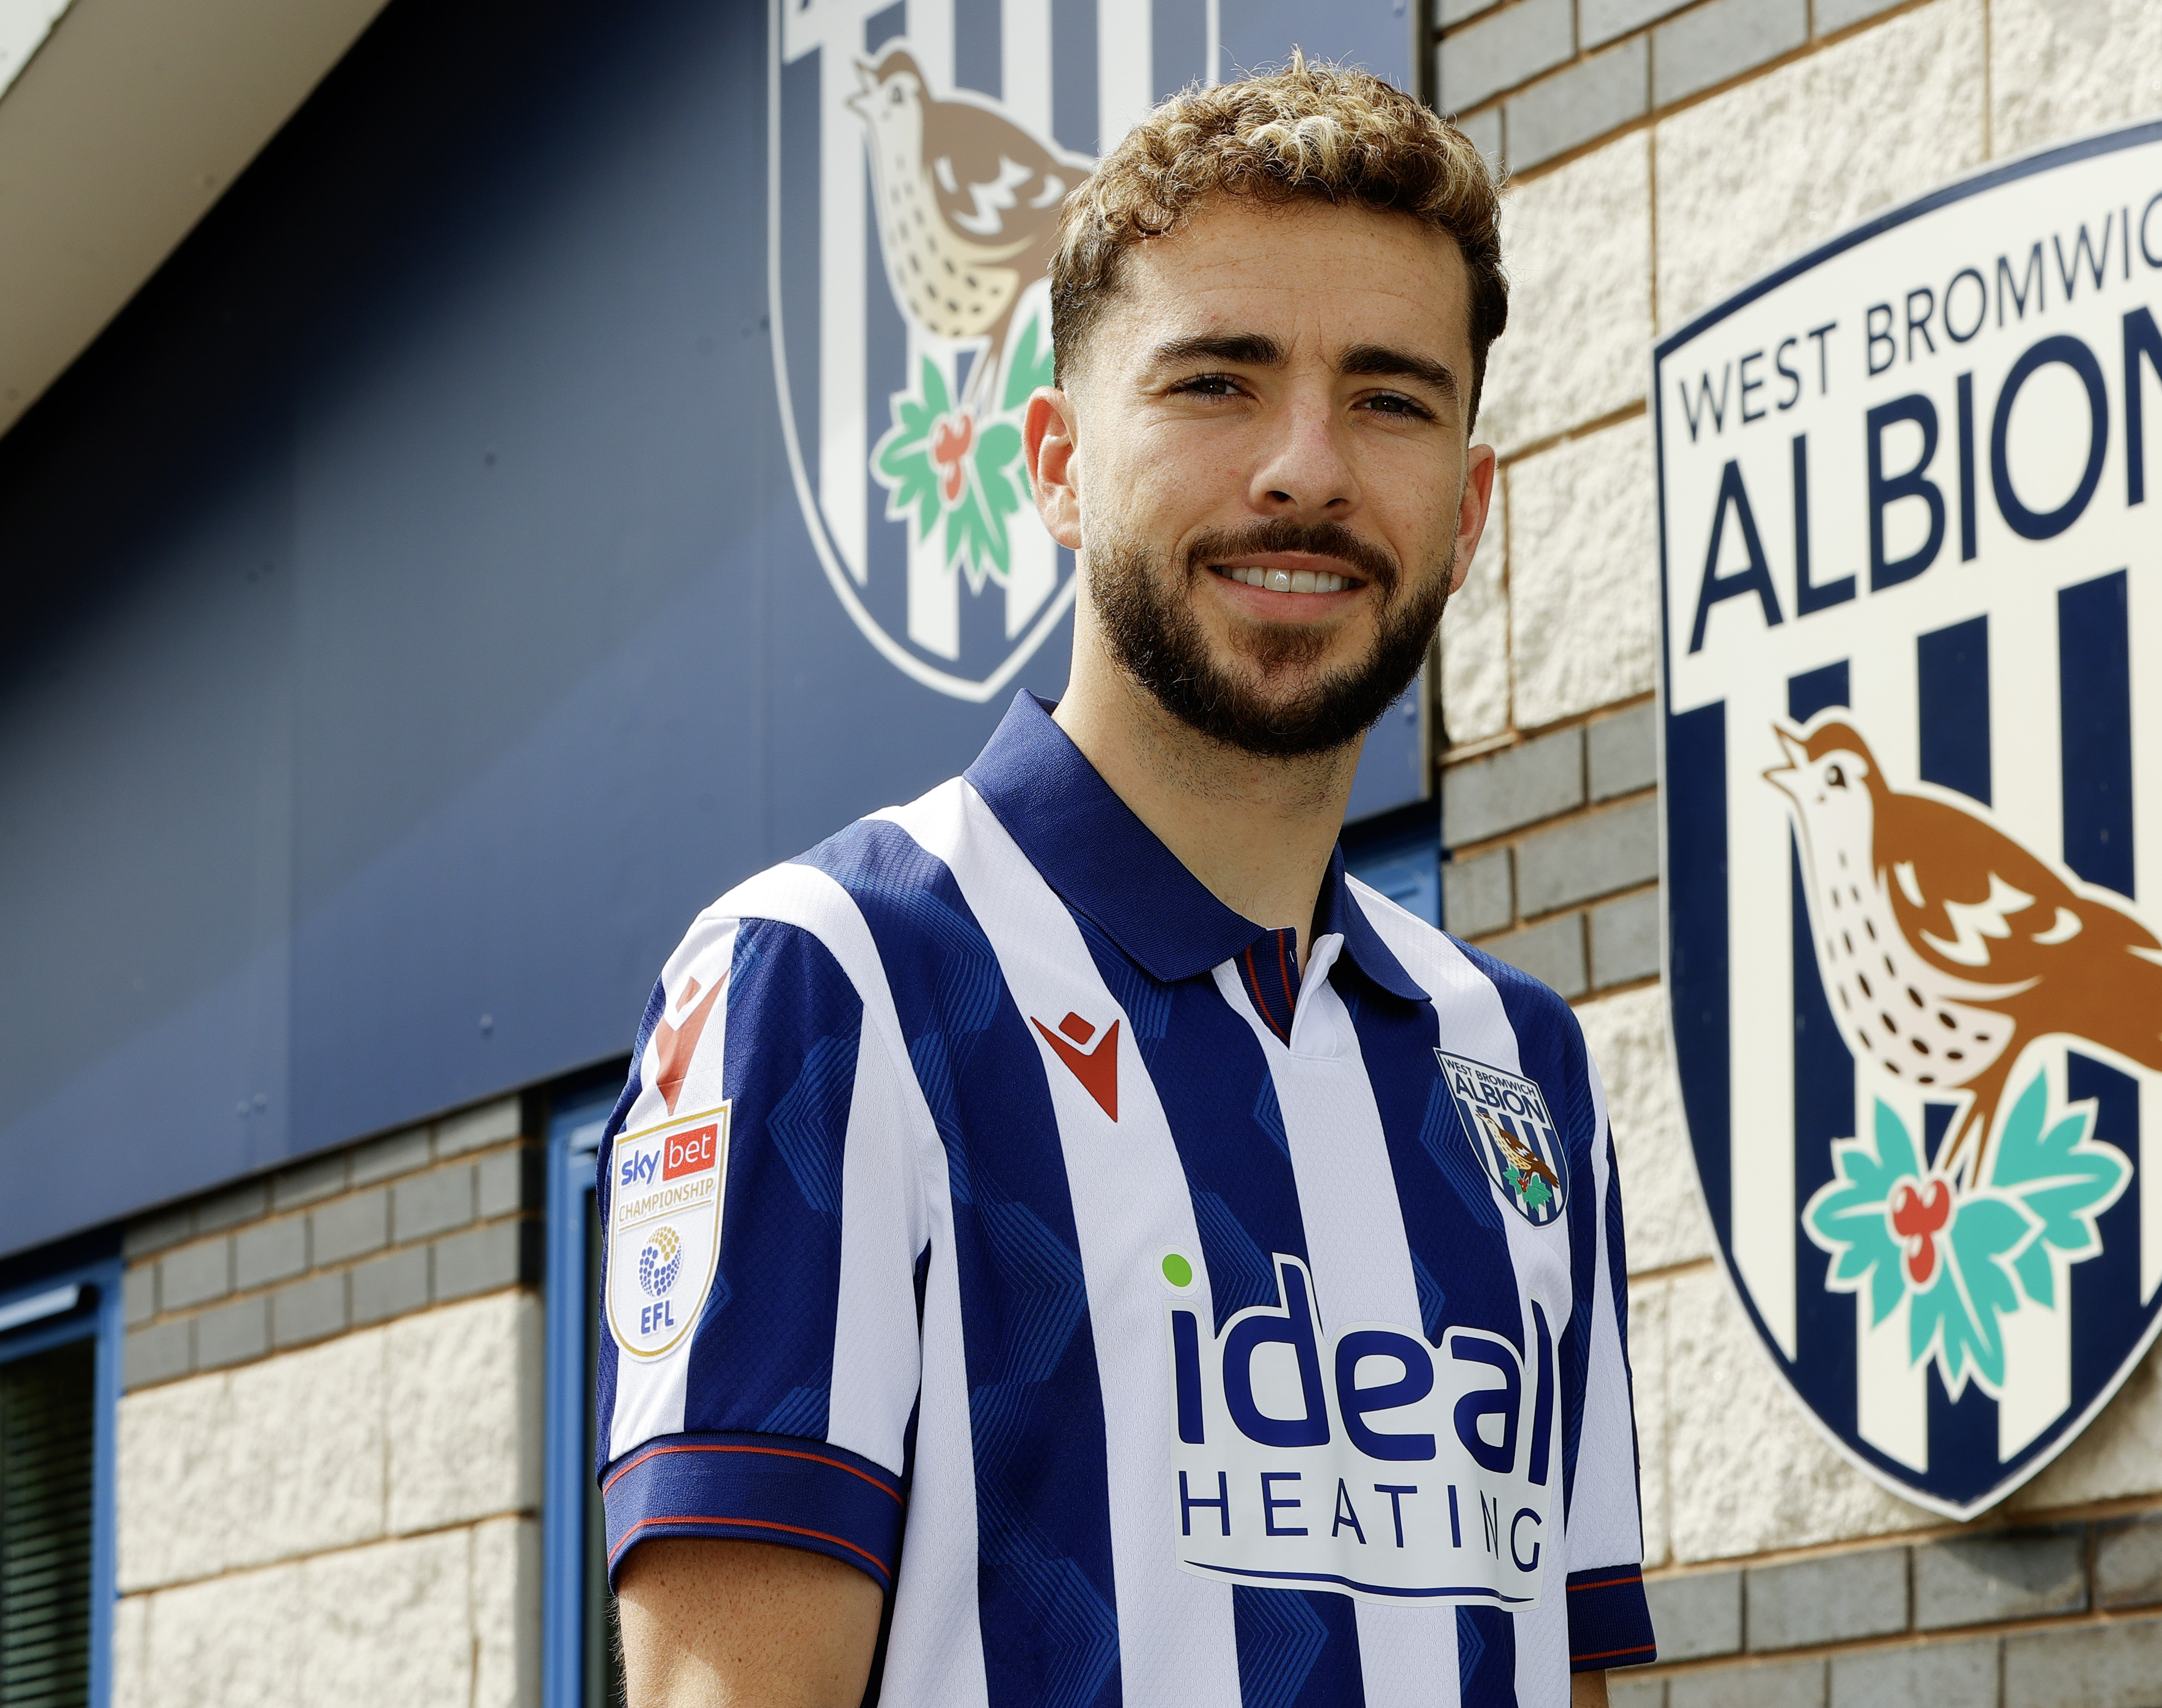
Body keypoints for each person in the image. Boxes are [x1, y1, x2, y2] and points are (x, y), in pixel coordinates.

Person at [596, 56, 1656, 1708]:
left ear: (1472, 509)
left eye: (1390, 398)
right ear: (1057, 462)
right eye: (1218, 383)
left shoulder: (1518, 1066)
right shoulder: (833, 980)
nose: (1305, 466)